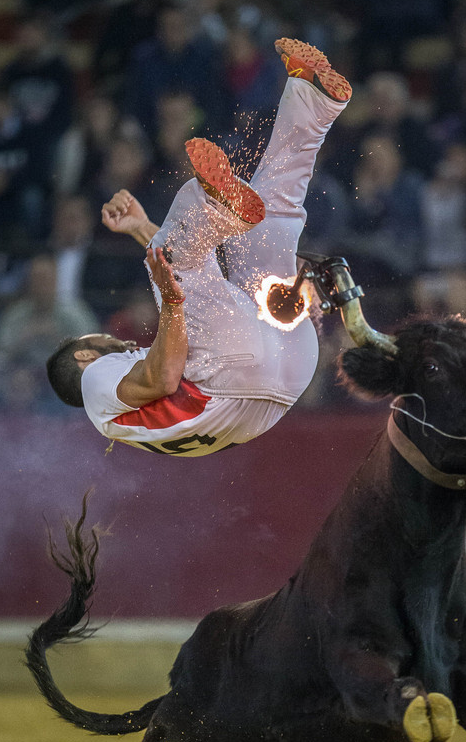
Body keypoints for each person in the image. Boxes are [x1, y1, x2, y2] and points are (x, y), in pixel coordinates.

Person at [46, 39, 351, 458]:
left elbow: (187, 280)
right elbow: (163, 378)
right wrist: (172, 302)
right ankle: (218, 209)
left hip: (286, 370)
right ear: (84, 354)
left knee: (271, 221)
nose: (110, 337)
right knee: (191, 222)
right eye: (96, 339)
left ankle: (312, 101)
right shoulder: (96, 381)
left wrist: (140, 228)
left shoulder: (119, 422)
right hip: (228, 375)